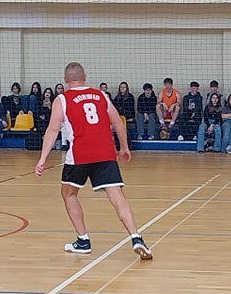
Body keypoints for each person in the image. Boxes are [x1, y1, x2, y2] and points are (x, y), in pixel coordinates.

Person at [34, 61, 152, 260]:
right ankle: (136, 237)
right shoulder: (100, 95)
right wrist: (124, 147)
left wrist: (42, 159)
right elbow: (118, 122)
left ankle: (83, 240)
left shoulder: (62, 99)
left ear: (65, 80)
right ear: (85, 77)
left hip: (79, 155)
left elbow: (53, 129)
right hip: (105, 153)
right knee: (117, 197)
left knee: (68, 194)